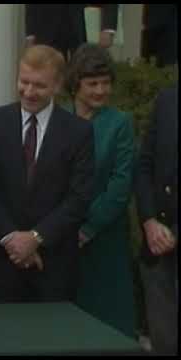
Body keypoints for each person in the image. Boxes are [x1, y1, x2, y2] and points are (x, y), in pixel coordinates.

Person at [0, 45, 94, 304]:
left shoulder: (79, 132)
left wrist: (36, 238)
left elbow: (79, 197)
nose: (28, 92)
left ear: (58, 85)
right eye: (23, 82)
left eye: (39, 85)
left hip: (55, 262)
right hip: (0, 259)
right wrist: (12, 240)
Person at [65, 43, 137, 338]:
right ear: (76, 84)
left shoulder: (119, 123)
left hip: (105, 238)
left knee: (108, 323)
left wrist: (88, 227)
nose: (100, 90)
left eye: (106, 83)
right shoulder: (59, 117)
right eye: (93, 83)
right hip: (62, 236)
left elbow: (121, 183)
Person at [135, 85, 178, 355]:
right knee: (164, 343)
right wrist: (149, 221)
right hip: (156, 247)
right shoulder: (167, 98)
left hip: (169, 236)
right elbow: (144, 165)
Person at [25, 4, 118, 60]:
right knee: (48, 75)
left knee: (83, 72)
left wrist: (108, 28)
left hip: (81, 27)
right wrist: (31, 35)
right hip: (47, 30)